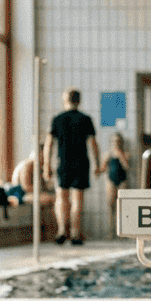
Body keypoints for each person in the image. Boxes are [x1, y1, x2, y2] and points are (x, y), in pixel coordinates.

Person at [43, 88, 103, 245]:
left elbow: (49, 144)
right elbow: (93, 144)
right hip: (81, 163)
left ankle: (62, 230)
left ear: (65, 100)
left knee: (61, 196)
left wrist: (46, 166)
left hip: (62, 162)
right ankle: (76, 233)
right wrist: (97, 163)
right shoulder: (85, 119)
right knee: (78, 199)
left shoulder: (57, 119)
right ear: (79, 100)